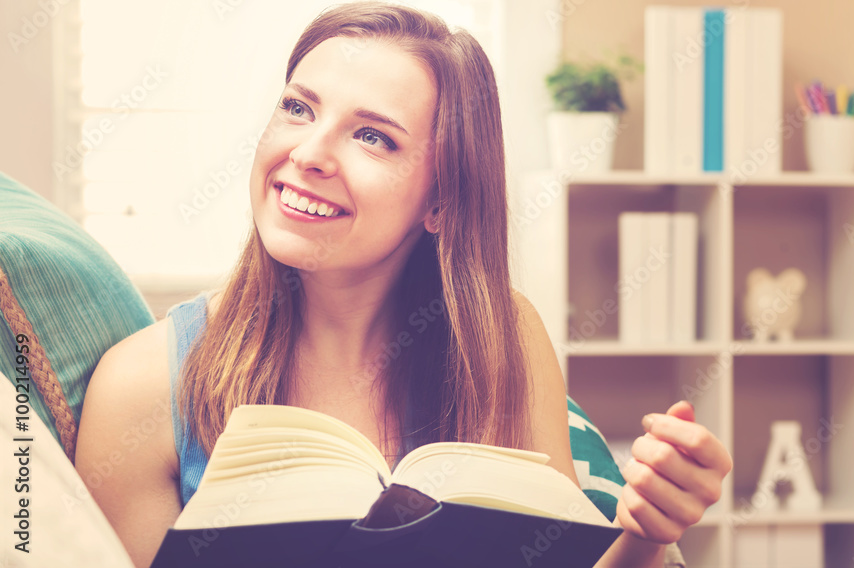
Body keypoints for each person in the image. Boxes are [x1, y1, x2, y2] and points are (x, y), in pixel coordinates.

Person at [74, 3, 732, 567]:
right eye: (298, 109)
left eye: (371, 137)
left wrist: (648, 534)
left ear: (441, 201)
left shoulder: (503, 340)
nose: (307, 154)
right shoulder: (142, 387)